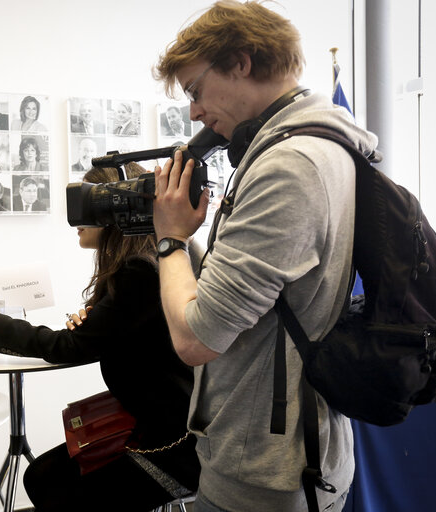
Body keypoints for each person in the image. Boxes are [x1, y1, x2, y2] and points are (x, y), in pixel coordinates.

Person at [150, 2, 378, 511]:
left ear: (240, 62)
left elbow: (195, 338)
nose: (194, 112)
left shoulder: (289, 167)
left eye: (194, 90)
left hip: (267, 476)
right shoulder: (321, 145)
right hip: (288, 455)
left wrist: (169, 241)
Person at [0, 163, 200, 512]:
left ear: (113, 210)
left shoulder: (139, 271)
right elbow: (98, 338)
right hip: (164, 430)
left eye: (85, 202)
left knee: (47, 483)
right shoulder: (157, 260)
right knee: (41, 477)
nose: (74, 216)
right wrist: (94, 328)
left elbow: (68, 347)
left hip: (170, 450)